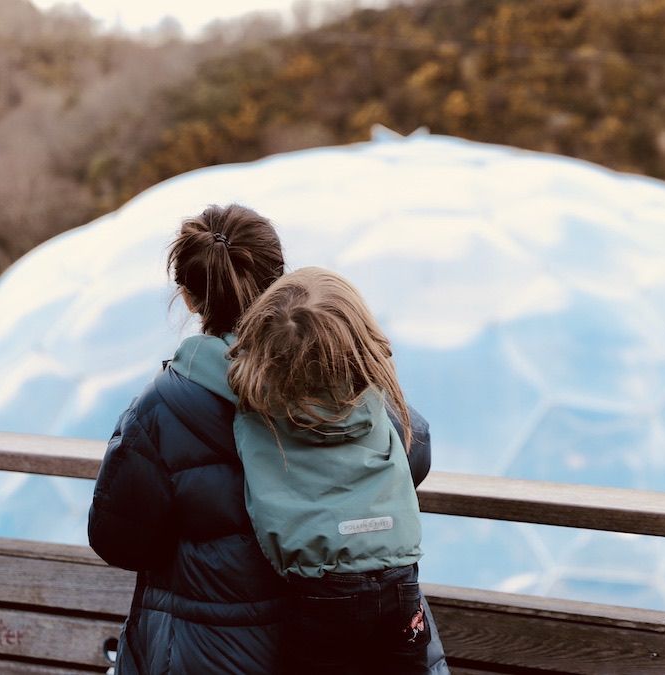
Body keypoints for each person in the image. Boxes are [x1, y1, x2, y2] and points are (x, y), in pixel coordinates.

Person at [87, 205, 448, 673]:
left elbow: (118, 540)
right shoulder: (337, 370)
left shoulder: (166, 407)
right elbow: (413, 449)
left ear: (190, 298)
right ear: (279, 277)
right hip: (364, 638)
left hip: (210, 653)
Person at [220, 266, 435, 674]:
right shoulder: (374, 400)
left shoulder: (255, 403)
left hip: (320, 589)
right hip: (399, 578)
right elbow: (418, 453)